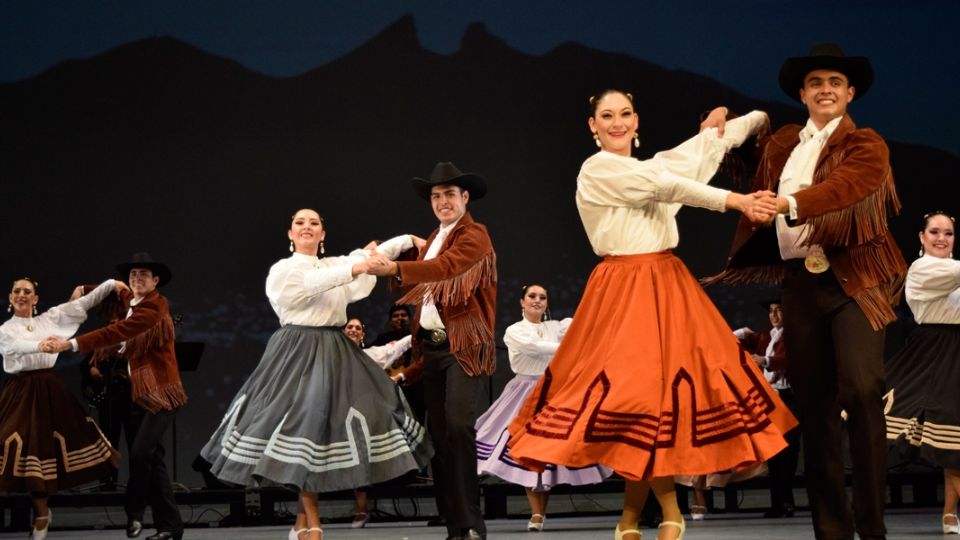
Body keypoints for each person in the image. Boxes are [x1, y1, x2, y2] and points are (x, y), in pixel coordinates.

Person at [505, 90, 797, 540]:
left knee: (660, 401)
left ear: (636, 120)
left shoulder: (654, 164)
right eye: (607, 116)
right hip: (622, 288)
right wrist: (736, 201)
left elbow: (706, 148)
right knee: (633, 398)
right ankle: (666, 506)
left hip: (666, 283)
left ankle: (632, 516)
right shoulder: (596, 168)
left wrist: (749, 120)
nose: (617, 123)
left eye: (624, 114)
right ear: (593, 125)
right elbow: (667, 187)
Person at [706, 43, 906, 540]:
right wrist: (728, 120)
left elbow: (848, 187)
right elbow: (744, 154)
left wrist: (789, 202)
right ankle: (831, 530)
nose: (825, 90)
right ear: (803, 93)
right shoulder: (787, 142)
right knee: (811, 406)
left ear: (850, 93)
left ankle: (872, 527)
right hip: (800, 285)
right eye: (816, 83)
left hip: (854, 280)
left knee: (861, 390)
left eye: (835, 83)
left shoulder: (866, 144)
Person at [199, 209, 432, 540]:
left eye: (314, 223)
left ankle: (301, 524)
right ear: (290, 234)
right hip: (296, 350)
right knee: (304, 424)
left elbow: (361, 263)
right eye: (299, 223)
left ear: (323, 234)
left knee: (325, 430)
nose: (306, 227)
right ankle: (314, 523)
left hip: (334, 349)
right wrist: (355, 265)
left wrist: (406, 241)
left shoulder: (331, 265)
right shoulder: (284, 270)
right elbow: (312, 284)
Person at [370, 162, 497, 540]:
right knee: (440, 436)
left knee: (458, 428)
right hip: (434, 351)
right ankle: (455, 525)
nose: (442, 202)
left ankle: (472, 522)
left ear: (465, 198)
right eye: (436, 196)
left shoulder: (475, 235)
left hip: (464, 346)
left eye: (449, 195)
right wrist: (391, 261)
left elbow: (447, 269)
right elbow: (424, 275)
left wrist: (394, 266)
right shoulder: (434, 237)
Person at [43, 253, 188, 540]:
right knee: (153, 459)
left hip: (161, 393)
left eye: (144, 274)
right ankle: (170, 527)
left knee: (141, 452)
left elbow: (115, 332)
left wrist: (69, 344)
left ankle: (134, 513)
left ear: (156, 281)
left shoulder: (154, 308)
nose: (137, 279)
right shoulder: (129, 300)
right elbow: (114, 287)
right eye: (133, 275)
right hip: (140, 393)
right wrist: (84, 289)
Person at [475, 283, 611, 532]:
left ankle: (539, 513)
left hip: (554, 392)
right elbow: (534, 348)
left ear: (547, 303)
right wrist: (570, 348)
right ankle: (536, 513)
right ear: (522, 302)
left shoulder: (556, 326)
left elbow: (583, 323)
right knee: (526, 448)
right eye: (532, 296)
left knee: (548, 452)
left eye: (542, 297)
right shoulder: (515, 330)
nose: (537, 300)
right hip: (524, 393)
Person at [0, 277, 120, 540]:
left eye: (27, 292)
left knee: (42, 449)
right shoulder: (6, 329)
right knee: (13, 445)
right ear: (10, 298)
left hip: (47, 389)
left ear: (35, 299)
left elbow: (83, 303)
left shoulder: (48, 319)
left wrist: (110, 284)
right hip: (20, 391)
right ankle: (38, 512)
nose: (21, 295)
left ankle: (42, 513)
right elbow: (13, 346)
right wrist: (39, 345)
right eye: (16, 291)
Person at [884, 211, 960, 535]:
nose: (941, 238)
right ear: (922, 237)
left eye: (948, 233)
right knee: (948, 433)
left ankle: (949, 512)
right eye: (935, 232)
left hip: (956, 349)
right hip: (932, 351)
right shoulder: (922, 268)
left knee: (956, 436)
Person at [341, 316, 414, 529]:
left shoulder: (370, 355)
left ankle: (361, 510)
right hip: (337, 413)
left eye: (357, 327)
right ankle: (308, 516)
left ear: (363, 334)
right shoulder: (332, 357)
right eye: (349, 327)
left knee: (361, 459)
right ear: (343, 332)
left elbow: (402, 345)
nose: (353, 330)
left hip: (364, 414)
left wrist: (420, 331)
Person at [734, 300, 800, 519]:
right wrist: (742, 331)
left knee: (788, 452)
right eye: (771, 311)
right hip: (770, 399)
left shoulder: (796, 336)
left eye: (778, 310)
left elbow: (790, 359)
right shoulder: (765, 336)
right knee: (774, 452)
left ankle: (786, 501)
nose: (774, 315)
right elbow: (732, 340)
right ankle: (778, 503)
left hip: (789, 398)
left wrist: (765, 360)